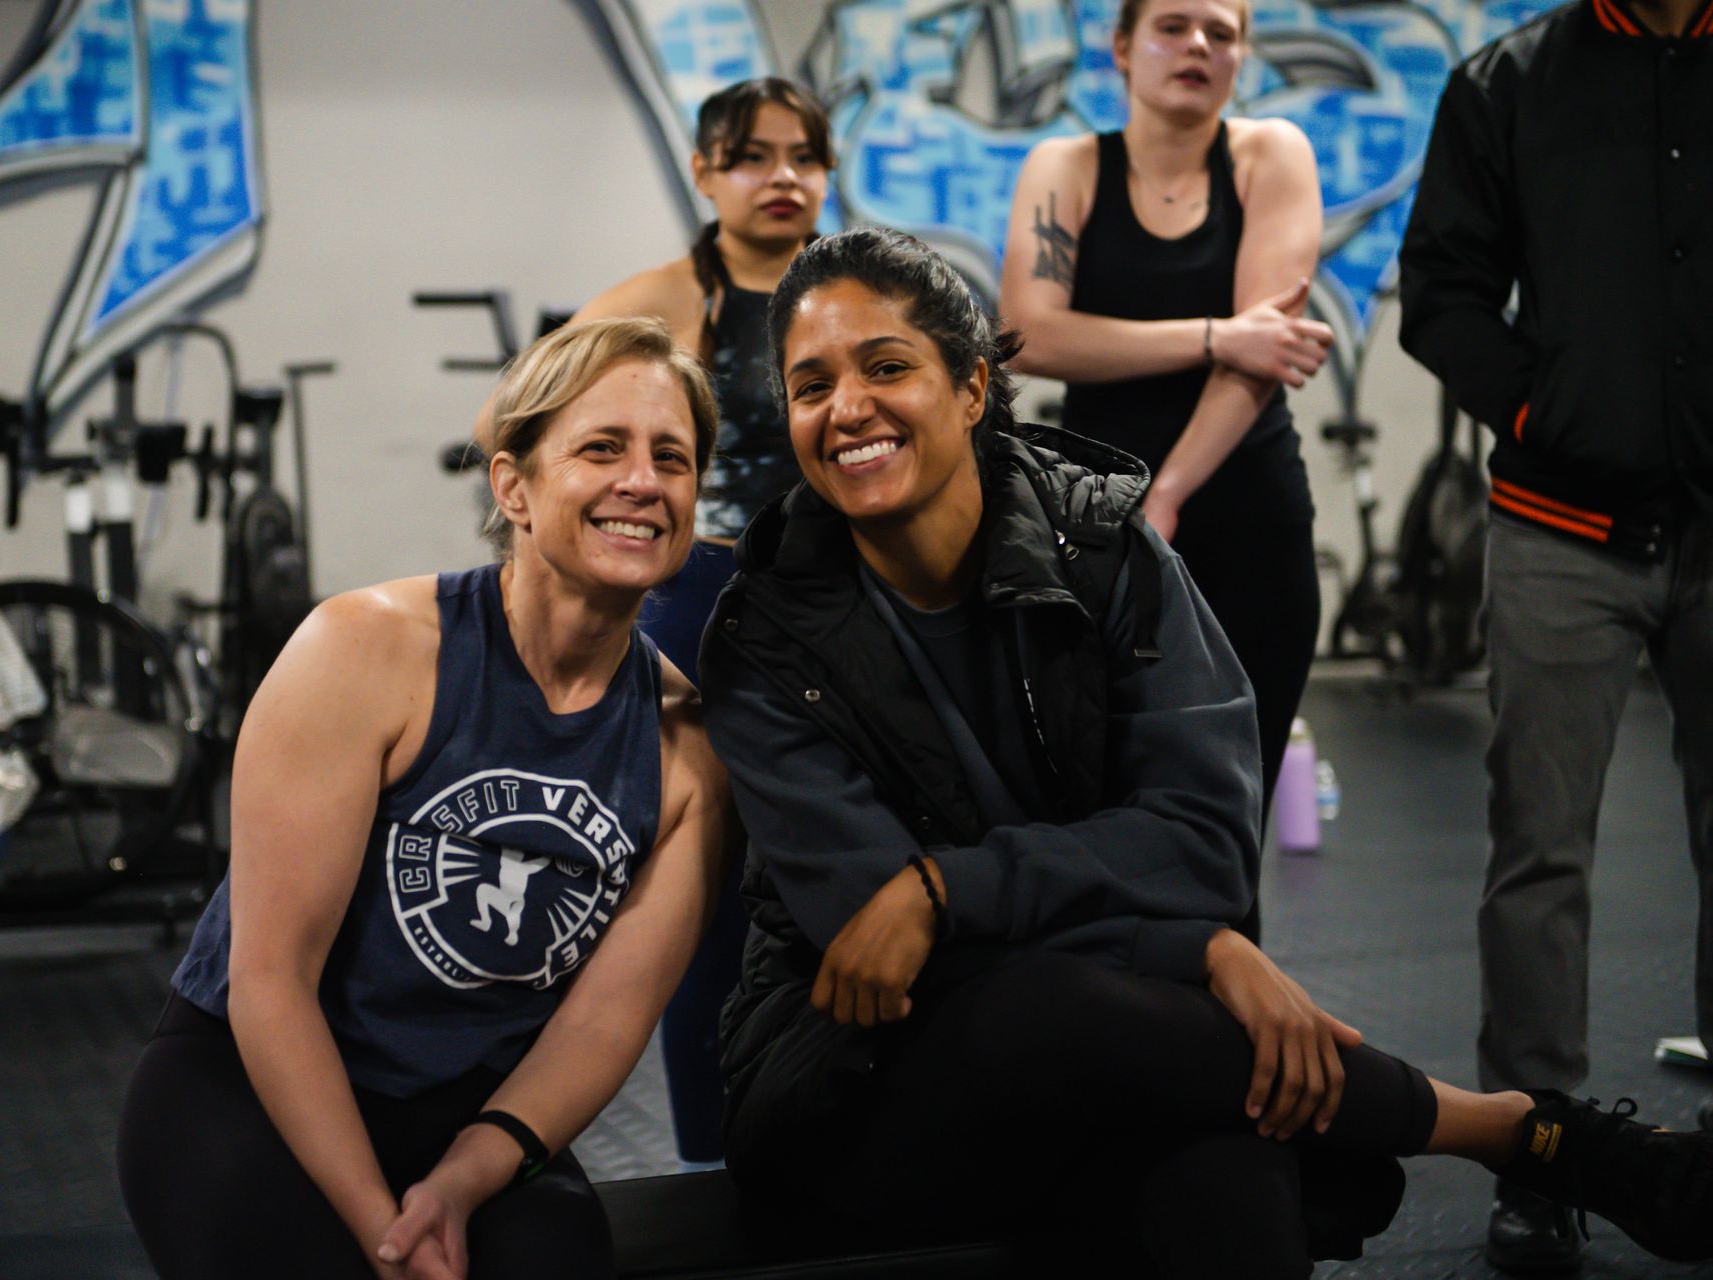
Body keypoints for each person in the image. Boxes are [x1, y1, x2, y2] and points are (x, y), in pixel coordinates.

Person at [699, 225, 1713, 1277]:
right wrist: (1208, 952)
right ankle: (1501, 1128)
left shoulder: (1105, 546)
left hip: (1127, 1052)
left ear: (970, 388)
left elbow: (1199, 843)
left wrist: (947, 886)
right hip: (856, 1086)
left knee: (1231, 1171)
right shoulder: (766, 635)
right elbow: (886, 939)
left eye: (887, 366)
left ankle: (1471, 1137)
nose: (847, 408)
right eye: (810, 385)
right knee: (1043, 1010)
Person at [118, 317, 728, 1280]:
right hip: (249, 1084)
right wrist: (382, 1230)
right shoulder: (363, 651)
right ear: (514, 486)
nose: (643, 482)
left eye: (673, 458)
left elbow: (601, 1025)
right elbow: (270, 982)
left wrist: (459, 1185)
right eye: (601, 448)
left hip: (475, 1119)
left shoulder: (687, 750)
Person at [470, 76, 836, 1165]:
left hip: (842, 606)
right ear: (705, 173)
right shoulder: (674, 298)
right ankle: (715, 1153)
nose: (782, 176)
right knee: (709, 888)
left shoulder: (848, 291)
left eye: (804, 155)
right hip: (711, 605)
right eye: (752, 156)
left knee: (840, 870)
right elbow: (505, 416)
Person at [1398, 0, 1713, 1267]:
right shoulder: (1504, 84)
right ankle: (1542, 1154)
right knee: (1540, 855)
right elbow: (1442, 289)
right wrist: (1546, 408)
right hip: (1557, 535)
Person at [999, 0, 1333, 843]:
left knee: (1233, 811)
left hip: (1246, 509)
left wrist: (1170, 491)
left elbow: (1266, 359)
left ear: (1241, 56)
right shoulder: (1065, 166)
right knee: (1109, 800)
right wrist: (1220, 332)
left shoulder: (1271, 154)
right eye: (1174, 25)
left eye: (1222, 33)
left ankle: (1228, 969)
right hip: (1094, 523)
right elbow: (1031, 333)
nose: (1198, 46)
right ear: (1121, 48)